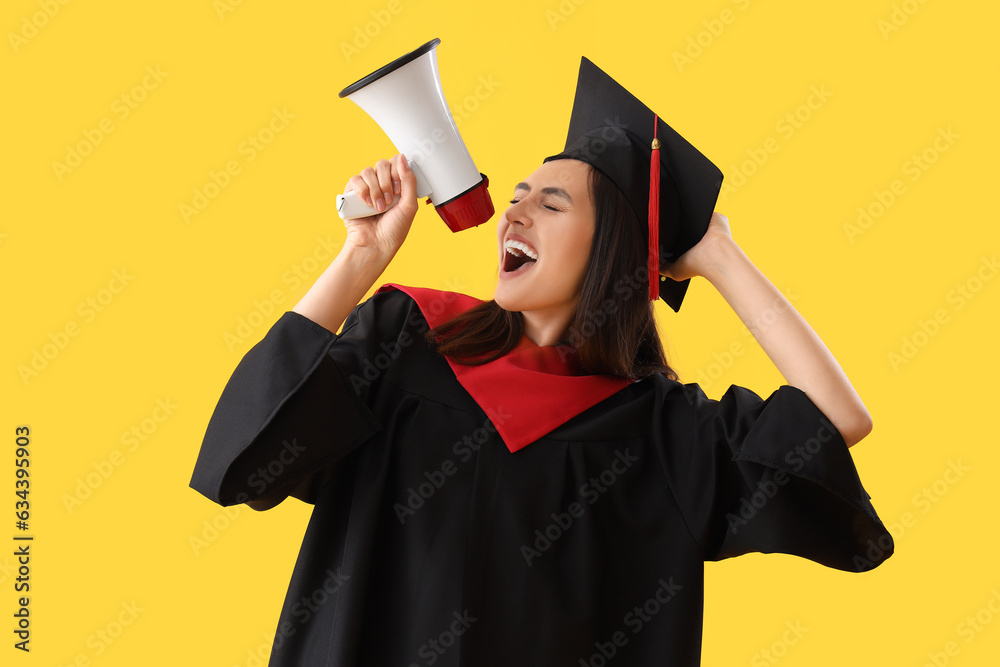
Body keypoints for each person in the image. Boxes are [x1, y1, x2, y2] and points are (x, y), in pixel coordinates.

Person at [189, 57, 893, 666]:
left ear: (613, 250)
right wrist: (360, 257)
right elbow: (246, 456)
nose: (513, 214)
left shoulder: (662, 433)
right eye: (516, 197)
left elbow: (837, 419)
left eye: (551, 205)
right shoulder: (405, 341)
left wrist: (718, 254)